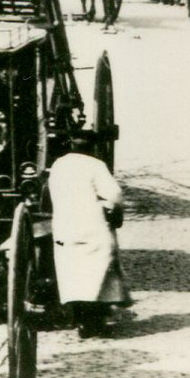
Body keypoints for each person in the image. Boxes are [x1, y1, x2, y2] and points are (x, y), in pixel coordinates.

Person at [48, 127, 130, 338]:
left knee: (73, 276)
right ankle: (97, 322)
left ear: (71, 144)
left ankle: (80, 320)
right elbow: (115, 194)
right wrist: (114, 209)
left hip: (65, 226)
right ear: (93, 146)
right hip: (92, 227)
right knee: (97, 274)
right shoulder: (96, 165)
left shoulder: (58, 165)